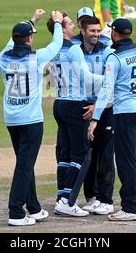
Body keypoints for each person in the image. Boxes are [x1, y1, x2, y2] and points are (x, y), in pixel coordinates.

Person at [0, 9, 64, 226]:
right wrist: (56, 24)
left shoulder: (3, 58)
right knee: (24, 166)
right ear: (29, 39)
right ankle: (16, 212)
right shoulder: (36, 58)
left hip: (11, 119)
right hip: (31, 121)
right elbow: (56, 46)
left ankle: (33, 208)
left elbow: (11, 42)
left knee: (24, 164)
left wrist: (32, 20)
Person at [88, 18, 136, 221]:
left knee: (126, 161)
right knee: (133, 159)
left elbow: (107, 91)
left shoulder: (114, 58)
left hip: (125, 112)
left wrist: (95, 119)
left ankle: (130, 208)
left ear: (115, 34)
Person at [47, 13, 103, 217]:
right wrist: (108, 79)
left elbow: (50, 82)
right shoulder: (73, 49)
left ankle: (61, 196)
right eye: (70, 24)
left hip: (59, 103)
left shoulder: (52, 50)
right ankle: (66, 201)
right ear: (61, 30)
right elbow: (86, 78)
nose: (73, 27)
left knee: (65, 154)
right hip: (74, 105)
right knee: (80, 154)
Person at [77, 16, 116, 215]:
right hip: (83, 107)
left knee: (105, 155)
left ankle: (106, 198)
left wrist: (97, 106)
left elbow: (111, 83)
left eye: (98, 30)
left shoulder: (107, 50)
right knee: (86, 155)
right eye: (92, 31)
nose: (96, 34)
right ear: (82, 31)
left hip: (105, 107)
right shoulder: (76, 51)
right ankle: (91, 197)